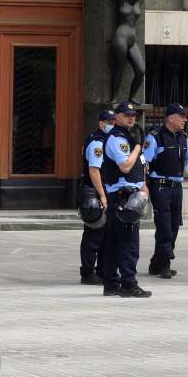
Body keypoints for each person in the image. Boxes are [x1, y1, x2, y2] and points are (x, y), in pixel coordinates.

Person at [143, 103, 188, 278]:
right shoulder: (155, 138)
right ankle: (165, 264)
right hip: (160, 186)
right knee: (164, 227)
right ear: (170, 118)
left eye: (185, 116)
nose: (185, 120)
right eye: (181, 116)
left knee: (174, 226)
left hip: (177, 187)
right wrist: (143, 185)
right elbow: (144, 161)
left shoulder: (183, 137)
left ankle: (156, 263)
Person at [101, 101, 151, 298]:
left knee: (113, 241)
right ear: (117, 117)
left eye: (134, 115)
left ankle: (111, 283)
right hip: (123, 197)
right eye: (127, 115)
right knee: (129, 242)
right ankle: (129, 283)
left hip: (127, 193)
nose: (131, 118)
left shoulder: (126, 138)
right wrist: (138, 145)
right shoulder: (118, 138)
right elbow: (125, 166)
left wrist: (143, 185)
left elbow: (139, 167)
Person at [79, 109, 116, 285]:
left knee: (106, 234)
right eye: (110, 122)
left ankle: (102, 271)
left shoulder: (106, 140)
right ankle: (87, 273)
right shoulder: (97, 143)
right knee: (94, 234)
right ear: (101, 123)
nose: (113, 125)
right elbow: (94, 170)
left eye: (115, 121)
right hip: (94, 192)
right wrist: (102, 195)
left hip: (103, 190)